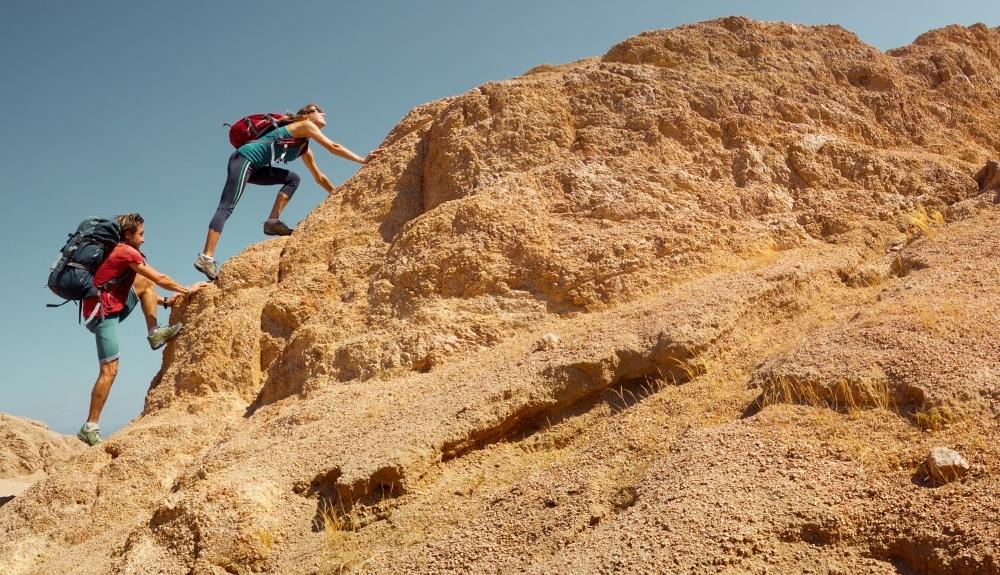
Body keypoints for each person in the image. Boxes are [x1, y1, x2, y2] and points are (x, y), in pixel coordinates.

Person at [194, 103, 379, 280]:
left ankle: (272, 222)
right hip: (244, 158)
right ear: (306, 115)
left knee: (293, 179)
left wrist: (337, 194)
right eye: (318, 110)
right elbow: (333, 147)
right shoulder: (304, 125)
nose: (323, 113)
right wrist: (363, 160)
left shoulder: (303, 146)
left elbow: (319, 176)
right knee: (226, 207)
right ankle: (206, 258)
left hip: (257, 168)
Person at [77, 213, 209, 446]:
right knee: (110, 371)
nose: (144, 239)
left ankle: (154, 331)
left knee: (142, 282)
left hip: (101, 307)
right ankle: (90, 426)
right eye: (141, 234)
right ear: (128, 234)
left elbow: (140, 286)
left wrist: (166, 302)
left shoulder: (114, 251)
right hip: (102, 315)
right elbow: (159, 277)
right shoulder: (126, 252)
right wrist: (188, 290)